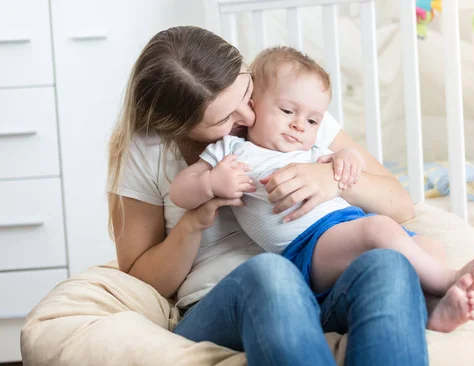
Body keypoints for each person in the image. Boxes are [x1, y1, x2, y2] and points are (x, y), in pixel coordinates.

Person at [107, 26, 429, 365]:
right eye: (224, 117)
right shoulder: (147, 151)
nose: (248, 116)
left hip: (320, 285)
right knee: (271, 273)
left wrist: (332, 177)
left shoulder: (290, 108)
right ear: (180, 126)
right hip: (226, 301)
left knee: (388, 264)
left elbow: (400, 204)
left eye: (246, 93)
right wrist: (193, 223)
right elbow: (140, 278)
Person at [169, 46, 474, 333]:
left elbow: (346, 166)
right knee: (379, 229)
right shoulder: (233, 150)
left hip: (347, 226)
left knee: (428, 247)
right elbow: (180, 191)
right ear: (253, 107)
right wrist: (211, 182)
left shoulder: (312, 149)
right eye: (287, 111)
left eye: (312, 120)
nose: (299, 125)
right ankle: (446, 279)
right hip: (306, 248)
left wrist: (346, 157)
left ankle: (433, 312)